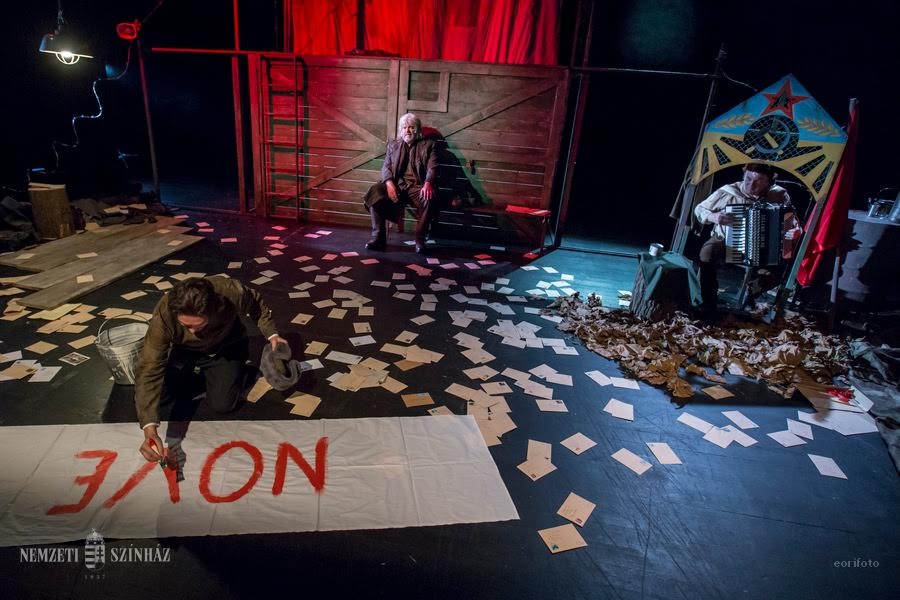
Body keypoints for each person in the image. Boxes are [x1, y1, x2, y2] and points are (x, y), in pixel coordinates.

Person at [135, 276, 286, 463]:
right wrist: (149, 429)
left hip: (226, 348)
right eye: (186, 326)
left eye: (197, 326)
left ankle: (240, 371)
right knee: (160, 398)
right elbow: (149, 367)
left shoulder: (232, 293)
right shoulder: (164, 315)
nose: (192, 332)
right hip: (186, 351)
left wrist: (272, 335)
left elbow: (257, 304)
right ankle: (202, 373)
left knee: (223, 404)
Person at [694, 162, 802, 314]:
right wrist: (715, 216)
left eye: (758, 181)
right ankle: (708, 300)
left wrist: (795, 230)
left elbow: (791, 219)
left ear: (769, 182)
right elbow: (700, 209)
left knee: (780, 270)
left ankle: (750, 293)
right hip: (726, 240)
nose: (751, 184)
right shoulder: (729, 191)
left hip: (764, 246)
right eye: (748, 178)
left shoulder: (779, 194)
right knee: (707, 252)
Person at [363, 112, 438, 254]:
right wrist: (389, 184)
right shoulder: (393, 145)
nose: (407, 131)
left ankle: (420, 240)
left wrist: (428, 183)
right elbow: (386, 167)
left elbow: (432, 168)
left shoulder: (428, 145)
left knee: (428, 197)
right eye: (404, 127)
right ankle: (378, 238)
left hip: (416, 187)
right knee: (375, 191)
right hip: (397, 185)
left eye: (411, 127)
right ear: (401, 130)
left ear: (417, 129)